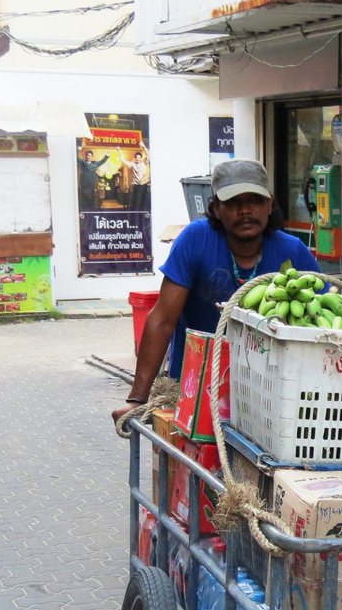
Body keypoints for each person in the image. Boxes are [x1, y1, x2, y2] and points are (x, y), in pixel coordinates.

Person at [112, 158, 318, 427]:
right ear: (216, 209)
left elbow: (318, 324)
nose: (245, 210)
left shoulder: (293, 252)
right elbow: (162, 319)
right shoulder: (197, 239)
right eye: (233, 202)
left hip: (269, 393)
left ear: (269, 204)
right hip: (193, 387)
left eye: (255, 200)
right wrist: (137, 400)